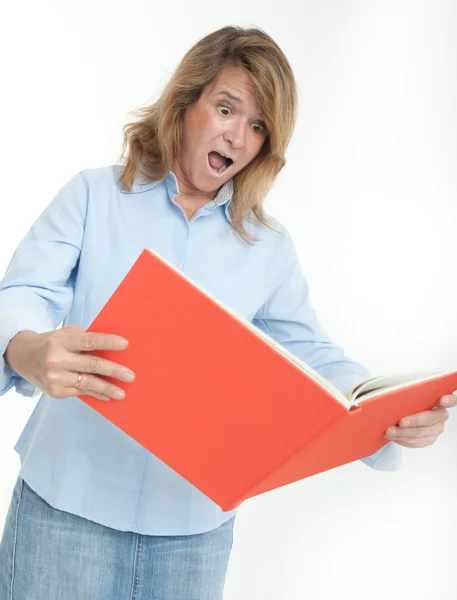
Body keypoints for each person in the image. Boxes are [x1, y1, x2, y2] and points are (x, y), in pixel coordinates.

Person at [0, 25, 454, 600]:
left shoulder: (268, 246)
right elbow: (21, 295)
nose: (238, 136)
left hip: (193, 537)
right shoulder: (93, 196)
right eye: (226, 108)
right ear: (186, 104)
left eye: (259, 126)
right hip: (65, 515)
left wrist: (387, 413)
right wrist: (29, 349)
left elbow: (312, 354)